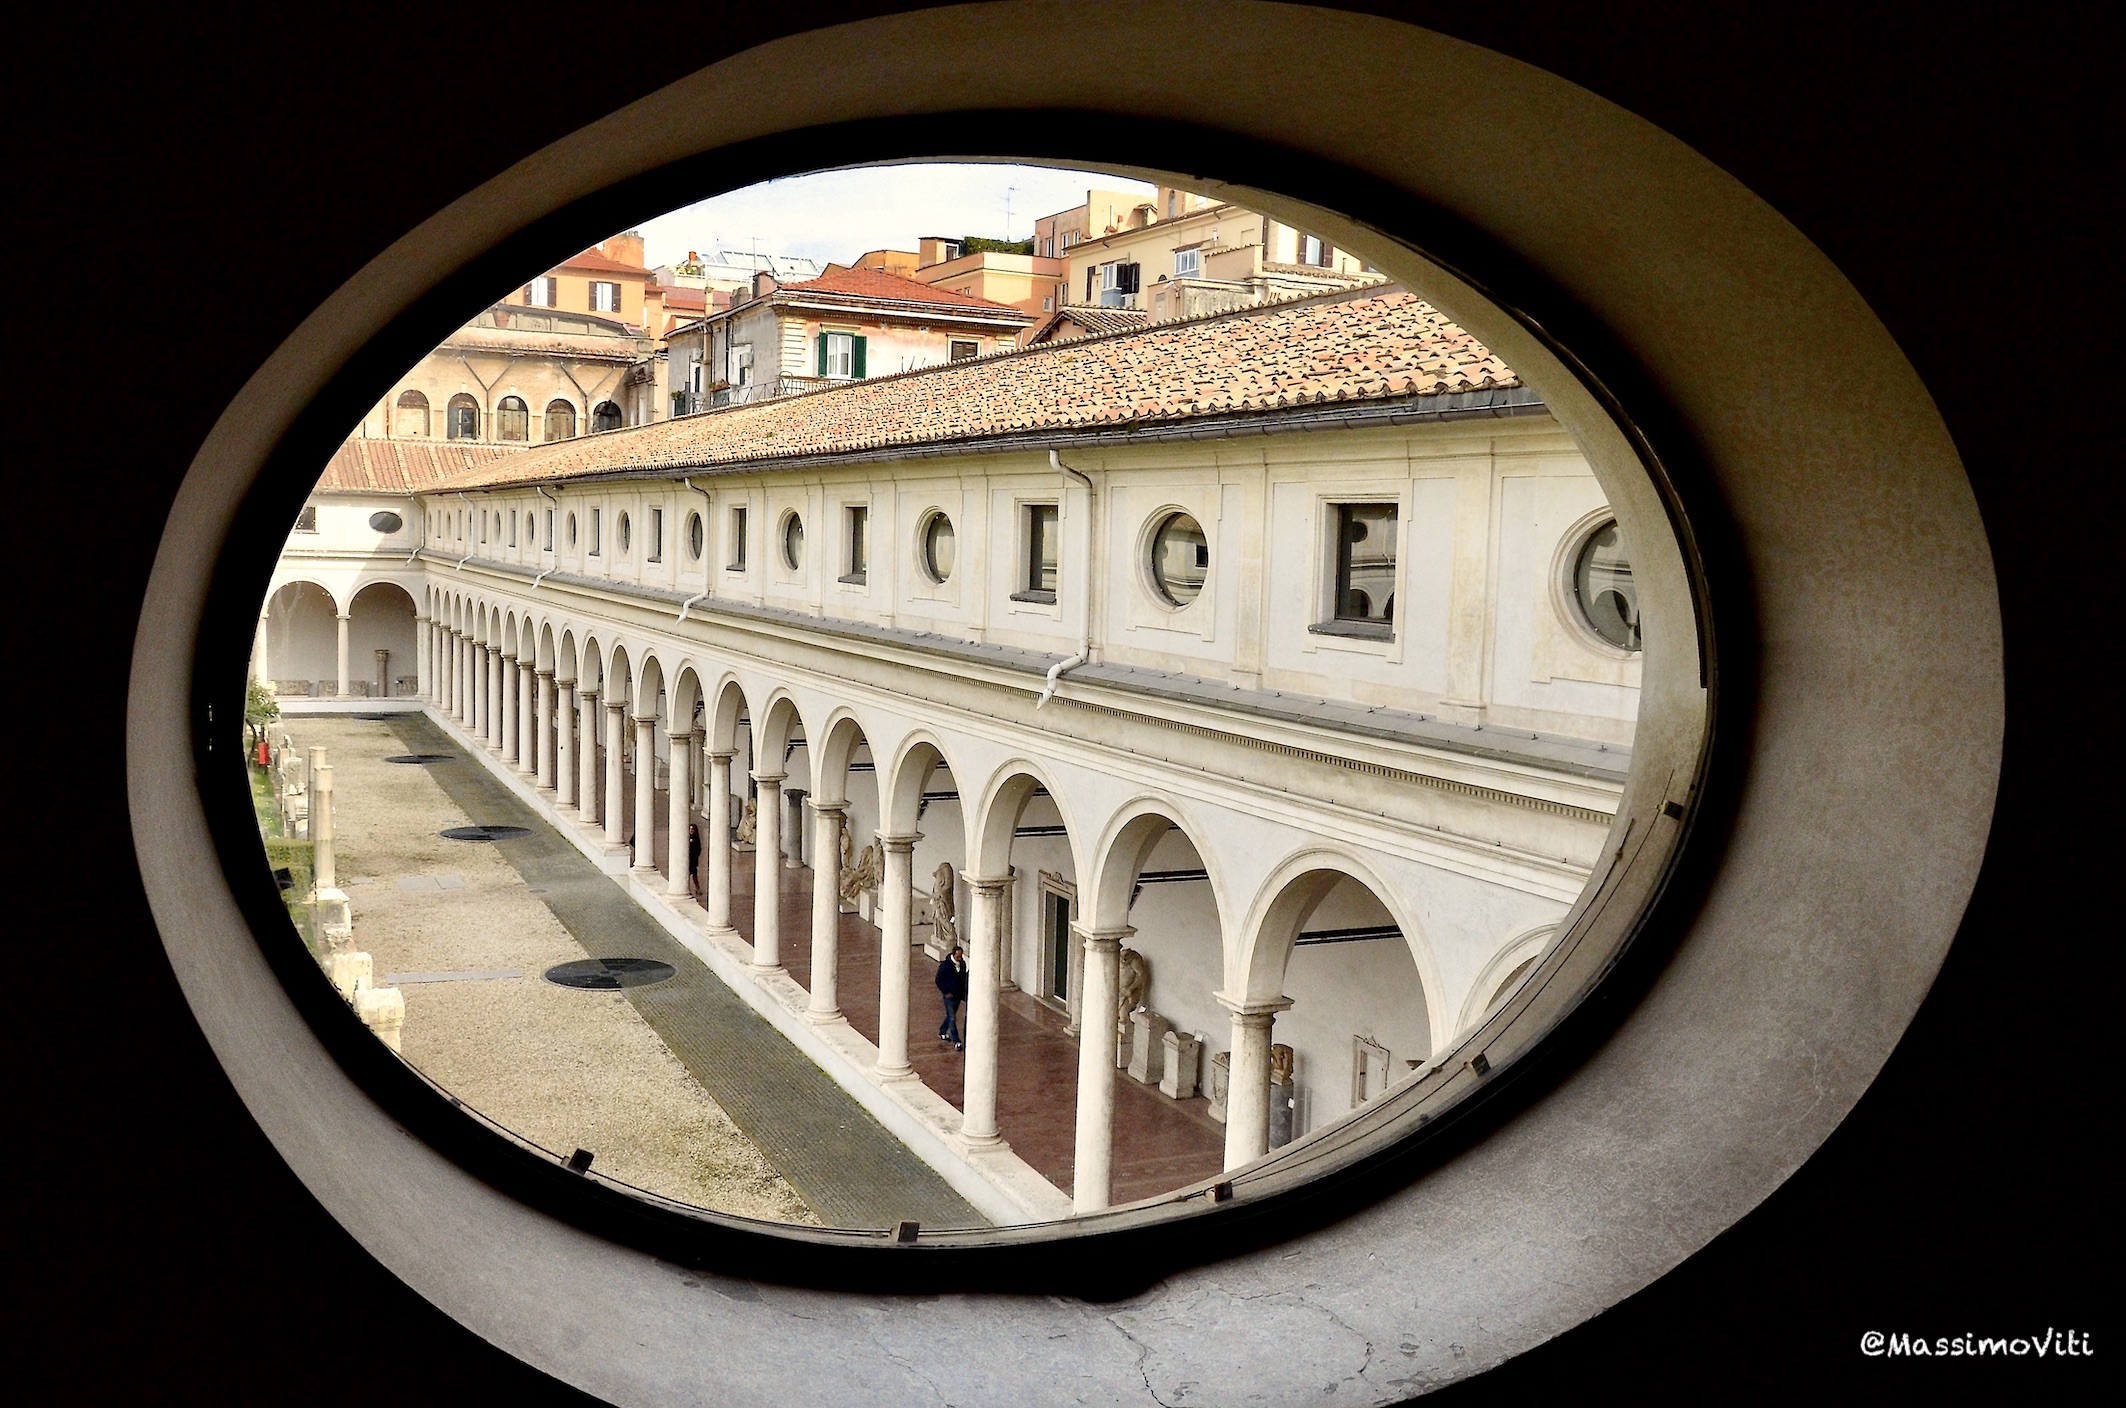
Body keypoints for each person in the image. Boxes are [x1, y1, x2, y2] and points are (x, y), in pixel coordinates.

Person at [935, 944, 968, 1051]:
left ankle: (942, 1031)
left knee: (950, 1015)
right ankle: (956, 1041)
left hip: (958, 994)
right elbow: (938, 980)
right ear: (953, 955)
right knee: (952, 1018)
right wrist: (946, 991)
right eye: (958, 956)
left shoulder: (962, 964)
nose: (960, 958)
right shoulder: (945, 966)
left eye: (961, 956)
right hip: (949, 995)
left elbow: (963, 978)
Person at [686, 824, 702, 898]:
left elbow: (698, 849)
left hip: (693, 860)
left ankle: (697, 888)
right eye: (690, 829)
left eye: (692, 829)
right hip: (687, 860)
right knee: (687, 875)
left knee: (694, 876)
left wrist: (695, 856)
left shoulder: (696, 838)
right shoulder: (687, 837)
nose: (691, 830)